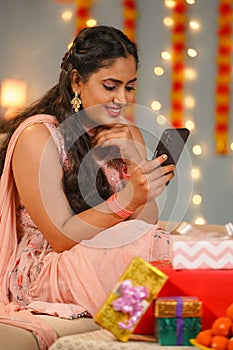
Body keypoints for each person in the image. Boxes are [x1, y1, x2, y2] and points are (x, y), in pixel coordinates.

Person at [0, 25, 175, 349]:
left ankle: (125, 328)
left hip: (101, 256)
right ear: (77, 81)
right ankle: (124, 324)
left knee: (166, 247)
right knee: (157, 251)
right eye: (110, 86)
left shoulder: (124, 133)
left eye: (130, 87)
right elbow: (61, 237)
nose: (122, 99)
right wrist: (126, 198)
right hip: (44, 269)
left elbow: (143, 225)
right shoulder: (38, 136)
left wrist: (136, 161)